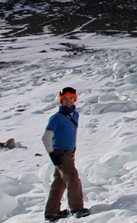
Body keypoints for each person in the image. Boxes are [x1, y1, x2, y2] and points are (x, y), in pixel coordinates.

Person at [42, 87, 90, 221]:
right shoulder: (56, 118)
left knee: (59, 183)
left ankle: (51, 212)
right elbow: (46, 137)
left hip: (69, 153)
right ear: (61, 101)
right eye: (65, 99)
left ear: (74, 99)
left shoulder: (75, 115)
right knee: (73, 179)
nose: (68, 101)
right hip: (60, 154)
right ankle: (77, 208)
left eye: (71, 98)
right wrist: (52, 154)